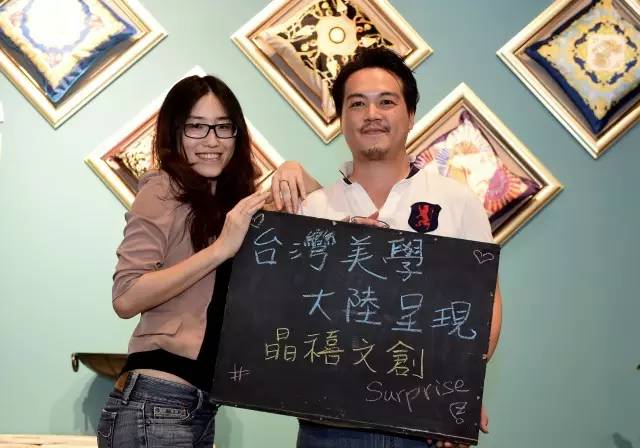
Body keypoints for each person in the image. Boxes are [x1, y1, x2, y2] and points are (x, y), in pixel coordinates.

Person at [271, 46, 502, 448]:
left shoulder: (457, 200)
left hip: (423, 422)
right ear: (341, 119)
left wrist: (457, 390)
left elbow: (487, 304)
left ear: (410, 115)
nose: (372, 114)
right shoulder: (314, 208)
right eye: (357, 103)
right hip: (329, 425)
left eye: (387, 102)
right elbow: (285, 311)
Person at [96, 74, 270, 448]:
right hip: (156, 400)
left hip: (199, 406)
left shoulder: (232, 205)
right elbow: (126, 296)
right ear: (174, 132)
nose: (212, 141)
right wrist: (220, 249)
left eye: (223, 127)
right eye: (196, 127)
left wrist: (294, 171)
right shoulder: (162, 188)